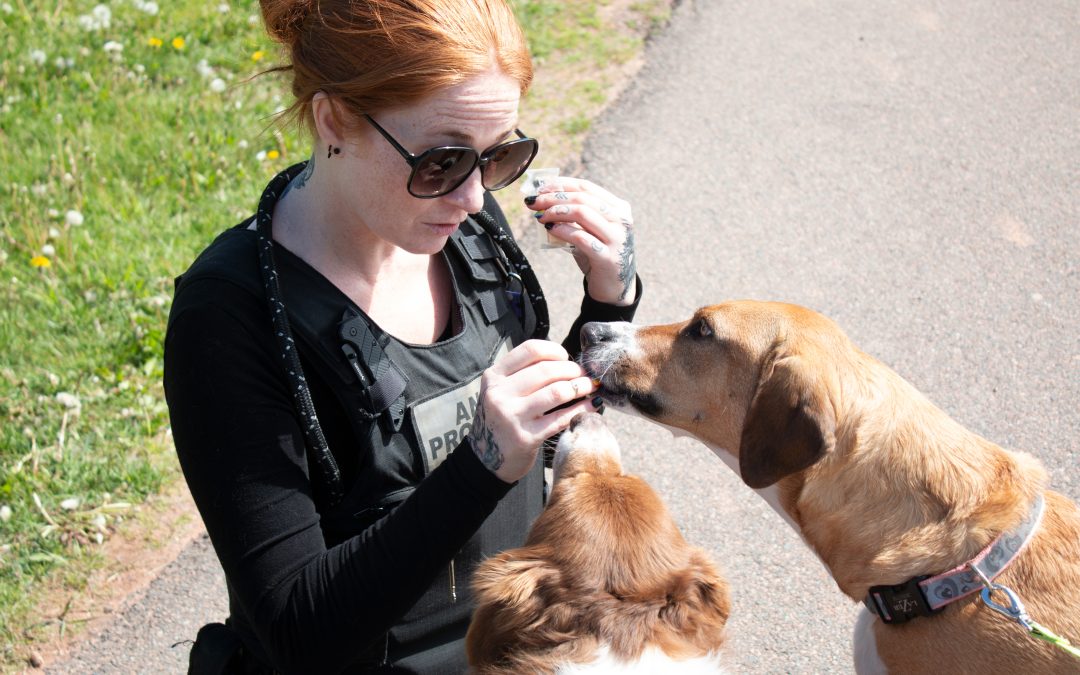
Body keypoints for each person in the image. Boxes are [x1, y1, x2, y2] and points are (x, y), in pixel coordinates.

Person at [162, 0, 642, 672]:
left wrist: (608, 304)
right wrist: (480, 459)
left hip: (518, 649)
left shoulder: (463, 232)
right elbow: (299, 630)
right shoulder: (231, 316)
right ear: (335, 120)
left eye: (499, 154)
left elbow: (536, 434)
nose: (474, 196)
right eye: (443, 160)